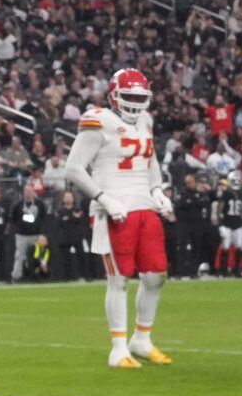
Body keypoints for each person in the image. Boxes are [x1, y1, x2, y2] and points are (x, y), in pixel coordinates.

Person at [62, 67, 173, 369]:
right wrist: (103, 197)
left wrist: (158, 190)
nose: (135, 102)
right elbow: (73, 168)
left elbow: (150, 162)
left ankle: (142, 339)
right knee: (118, 279)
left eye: (140, 96)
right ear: (114, 94)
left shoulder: (146, 121)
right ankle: (118, 348)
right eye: (129, 96)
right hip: (114, 211)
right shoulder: (98, 121)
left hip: (145, 207)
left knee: (155, 276)